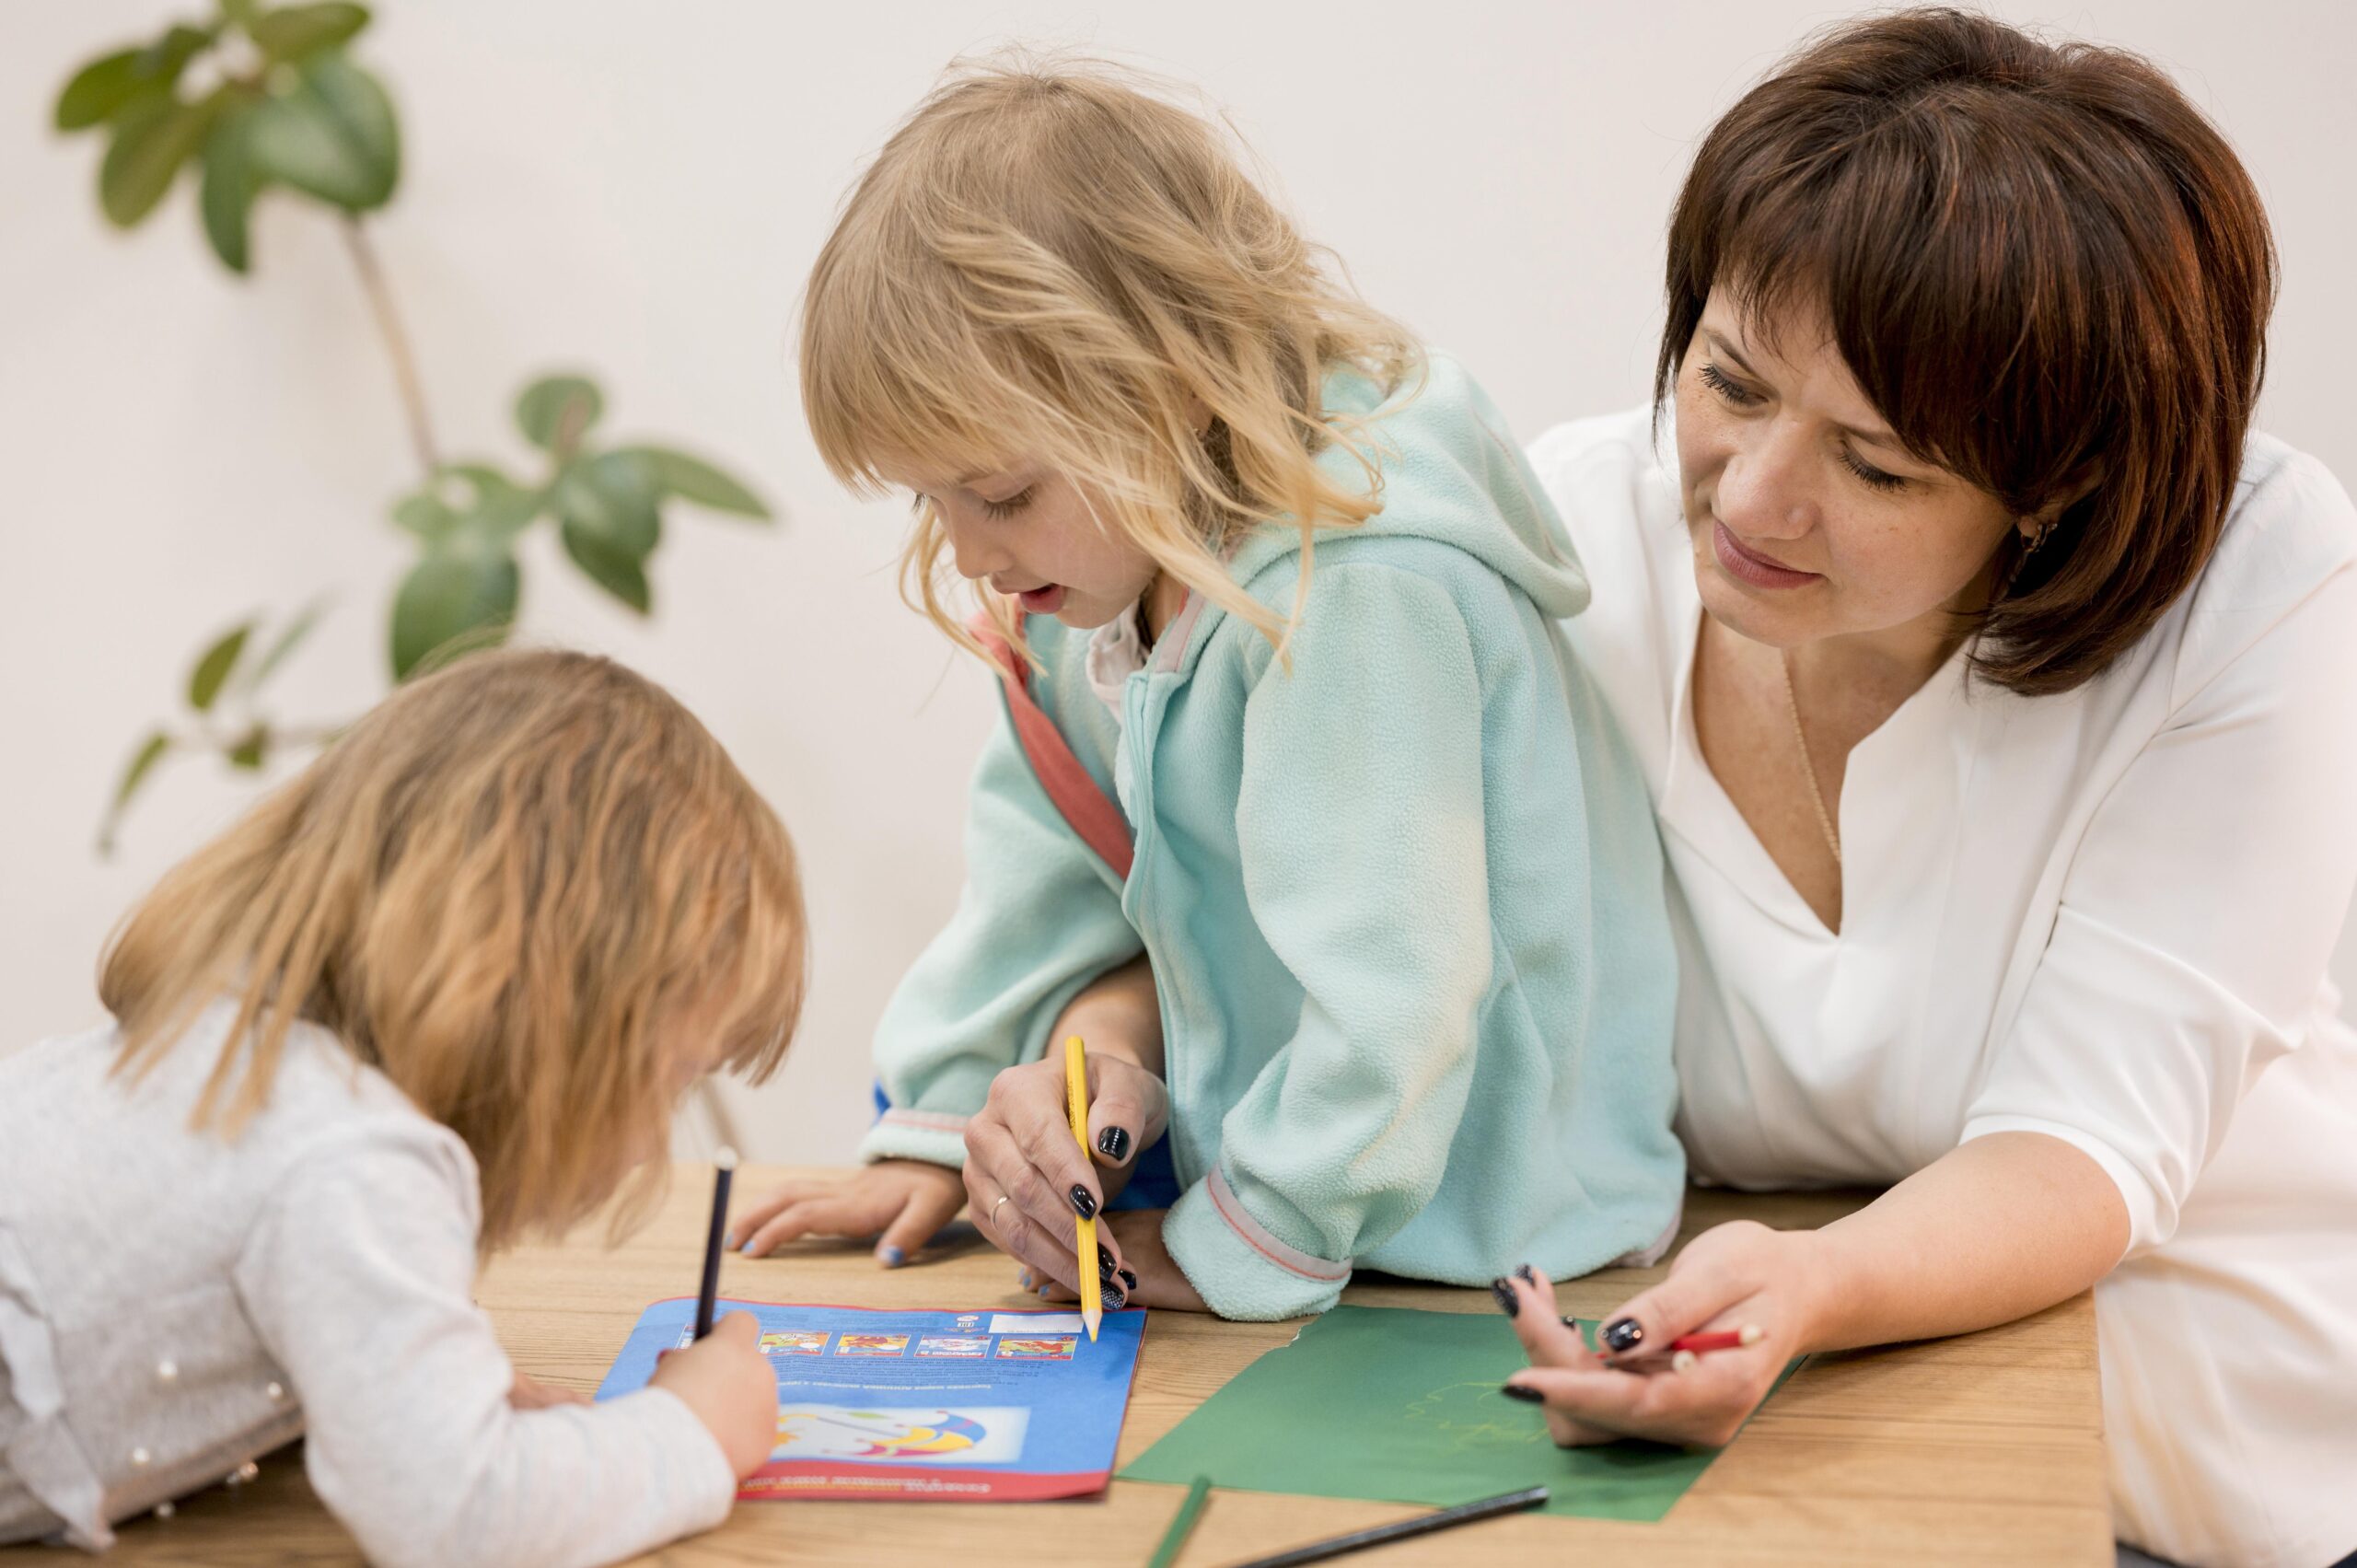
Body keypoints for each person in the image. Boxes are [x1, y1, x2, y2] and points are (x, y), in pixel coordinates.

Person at [1499, 12, 2357, 1566]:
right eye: (1728, 380)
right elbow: (1330, 865)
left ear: (2060, 485)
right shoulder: (1565, 540)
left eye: (1878, 464)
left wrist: (1812, 1286)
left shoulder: (2252, 579)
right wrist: (1115, 1046)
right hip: (1764, 1427)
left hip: (2182, 1432)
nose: (1754, 496)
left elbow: (2085, 1146)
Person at [729, 57, 1684, 1321]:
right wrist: (945, 1125)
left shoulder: (1356, 587)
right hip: (1296, 1205)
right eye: (930, 499)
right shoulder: (1095, 575)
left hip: (1498, 1229)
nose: (965, 550)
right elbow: (1045, 871)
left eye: (1000, 493)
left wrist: (1254, 1234)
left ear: (1171, 388)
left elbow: (1394, 991)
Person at [0, 648, 807, 1567]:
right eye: (671, 1076)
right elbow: (460, 1517)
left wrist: (427, 1390)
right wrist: (692, 1430)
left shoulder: (240, 1055)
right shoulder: (347, 1157)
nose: (658, 1133)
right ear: (549, 1028)